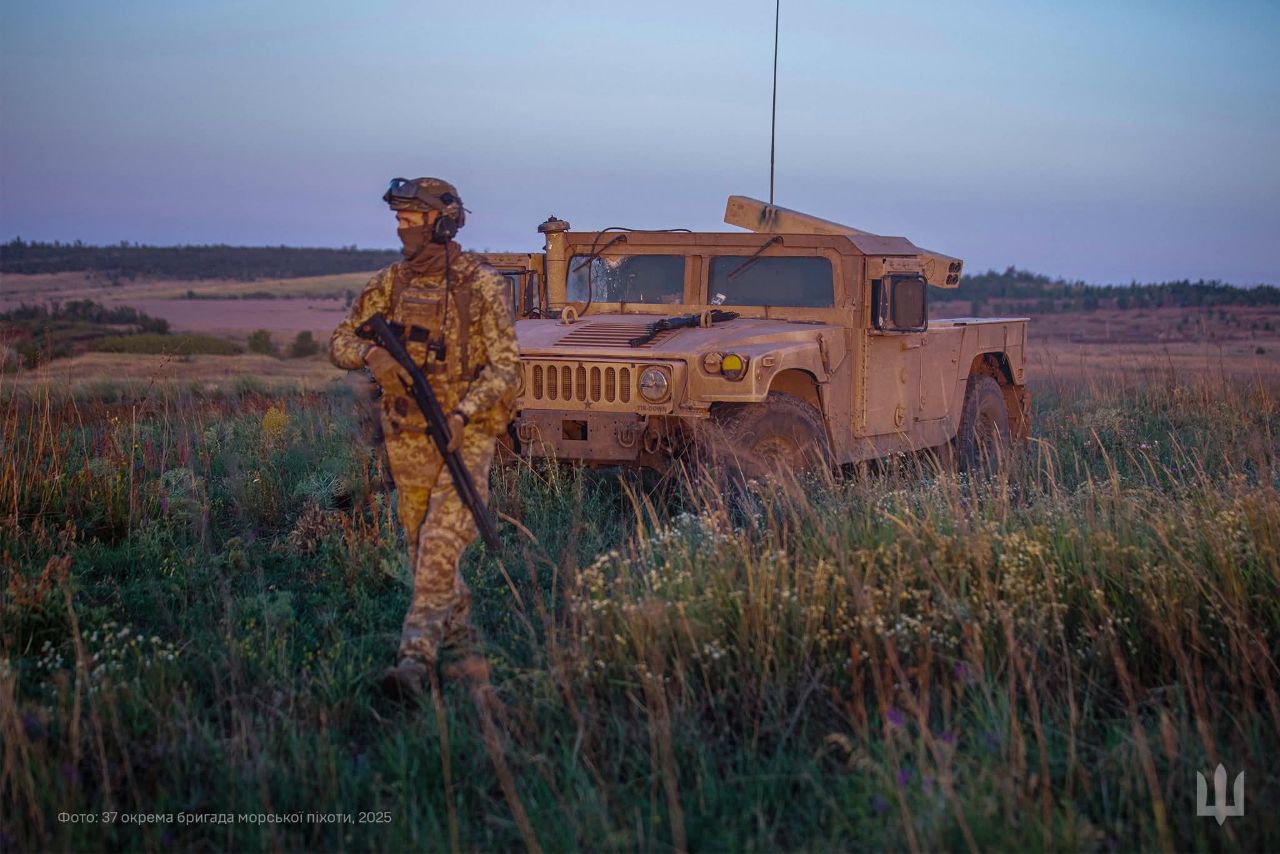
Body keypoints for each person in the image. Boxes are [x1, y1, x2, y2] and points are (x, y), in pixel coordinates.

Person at [330, 177, 518, 699]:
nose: (401, 227)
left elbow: (506, 368)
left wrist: (463, 415)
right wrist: (373, 356)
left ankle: (413, 663)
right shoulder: (390, 284)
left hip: (465, 437)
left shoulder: (480, 286)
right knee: (423, 555)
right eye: (399, 218)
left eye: (411, 219)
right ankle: (467, 659)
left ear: (443, 222)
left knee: (439, 544)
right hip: (406, 437)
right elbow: (341, 339)